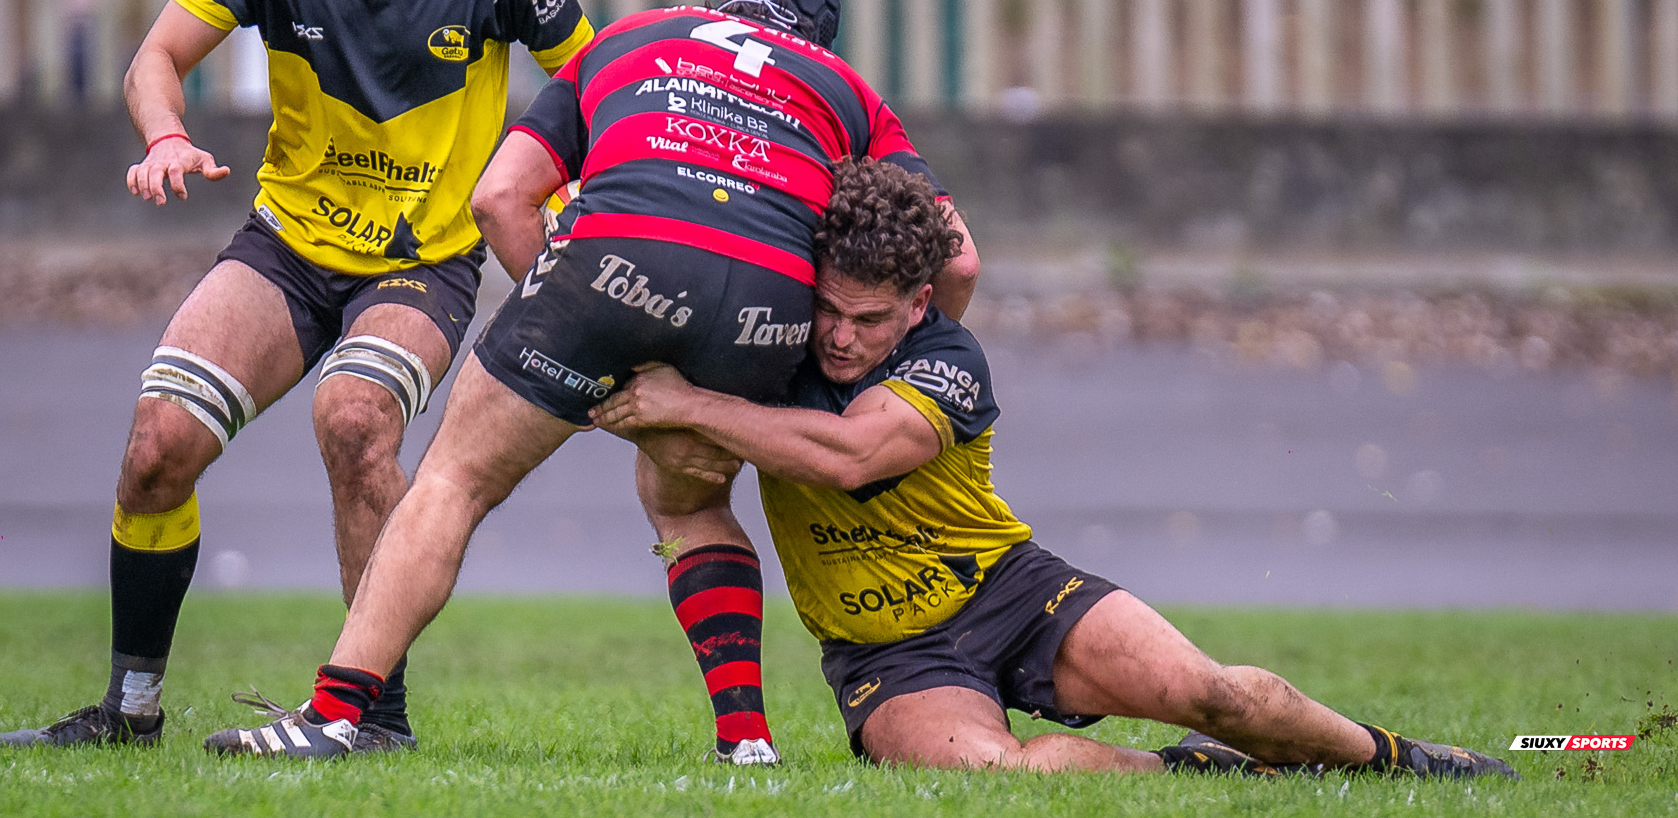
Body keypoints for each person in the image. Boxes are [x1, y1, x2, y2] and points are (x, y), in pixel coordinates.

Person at [201, 0, 978, 761]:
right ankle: (746, 740)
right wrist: (900, 372)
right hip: (764, 299)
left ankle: (335, 714)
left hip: (615, 254)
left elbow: (500, 197)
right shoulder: (848, 90)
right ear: (822, 36)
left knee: (455, 480)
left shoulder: (629, 37)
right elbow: (956, 258)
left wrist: (581, 314)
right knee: (685, 502)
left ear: (724, 2)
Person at [0, 0, 594, 753]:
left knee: (356, 420)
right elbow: (157, 59)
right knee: (157, 446)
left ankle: (371, 717)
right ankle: (129, 706)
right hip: (286, 245)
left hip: (424, 258)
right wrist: (167, 133)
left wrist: (569, 201)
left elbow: (596, 85)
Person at [590, 157, 1519, 781]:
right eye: (829, 309)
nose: (840, 336)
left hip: (1012, 588)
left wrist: (687, 402)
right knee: (1007, 773)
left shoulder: (949, 360)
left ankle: (1399, 760)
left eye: (869, 320)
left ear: (918, 305)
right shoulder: (774, 348)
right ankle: (1191, 770)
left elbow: (851, 456)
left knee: (1218, 691)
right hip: (885, 654)